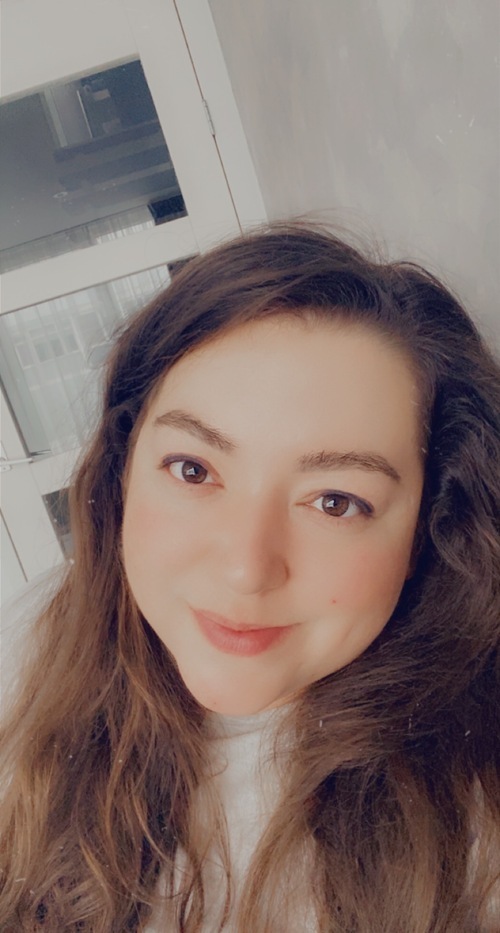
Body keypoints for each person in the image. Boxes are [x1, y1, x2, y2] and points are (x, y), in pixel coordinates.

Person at [0, 223, 499, 932]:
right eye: (193, 469)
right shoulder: (33, 639)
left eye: (335, 501)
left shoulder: (476, 816)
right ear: (123, 468)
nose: (245, 568)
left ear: (429, 527)